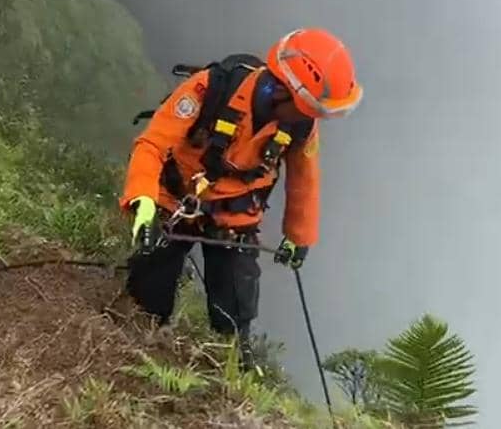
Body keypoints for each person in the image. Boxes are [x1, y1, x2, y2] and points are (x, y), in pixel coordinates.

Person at [119, 28, 363, 368]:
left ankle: (229, 370)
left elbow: (305, 180)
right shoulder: (212, 88)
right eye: (309, 107)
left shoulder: (300, 125)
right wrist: (143, 202)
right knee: (148, 294)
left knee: (234, 314)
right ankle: (136, 355)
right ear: (283, 90)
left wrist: (299, 238)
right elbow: (153, 144)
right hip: (175, 201)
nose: (313, 117)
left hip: (234, 219)